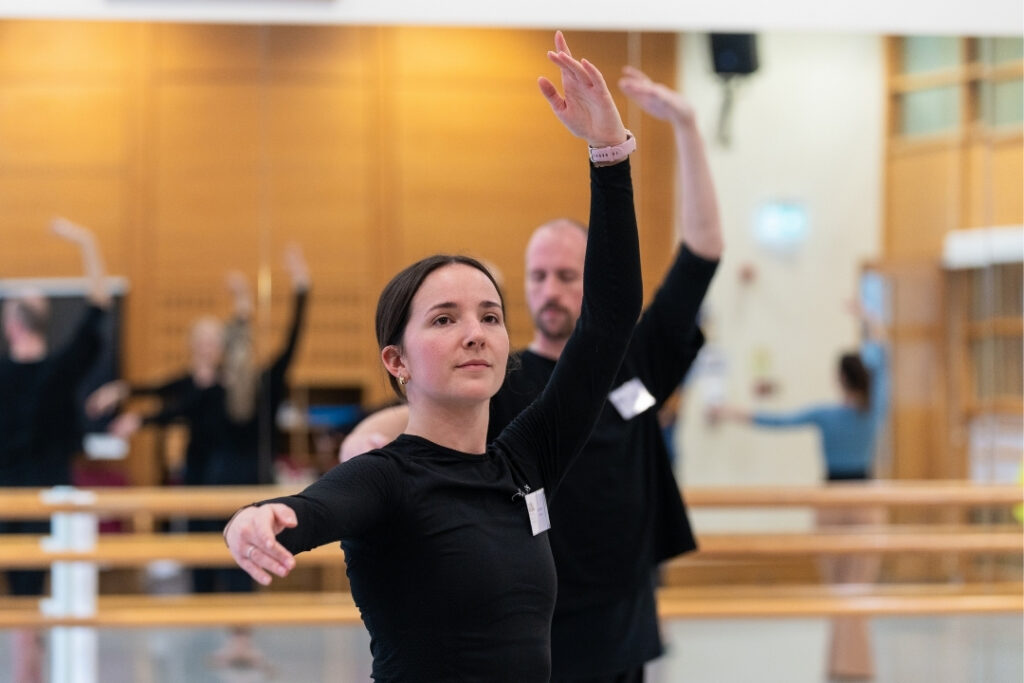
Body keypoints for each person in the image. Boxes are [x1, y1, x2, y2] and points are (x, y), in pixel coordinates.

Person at [223, 31, 642, 681]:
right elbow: (313, 510)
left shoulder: (525, 461)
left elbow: (609, 321)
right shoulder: (385, 479)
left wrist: (608, 155)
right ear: (397, 360)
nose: (474, 332)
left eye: (491, 316)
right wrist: (260, 520)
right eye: (445, 319)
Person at [340, 66, 724, 681]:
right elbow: (430, 401)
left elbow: (701, 254)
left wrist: (685, 125)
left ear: (591, 280)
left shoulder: (632, 358)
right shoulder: (503, 376)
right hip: (534, 610)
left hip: (619, 614)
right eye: (538, 276)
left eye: (568, 276)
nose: (550, 290)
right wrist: (374, 430)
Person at [88, 244, 310, 668]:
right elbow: (171, 400)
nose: (215, 349)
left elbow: (284, 345)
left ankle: (240, 638)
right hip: (203, 482)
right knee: (206, 561)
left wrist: (290, 292)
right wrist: (131, 402)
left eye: (219, 342)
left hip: (238, 486)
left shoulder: (249, 384)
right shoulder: (209, 387)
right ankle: (220, 636)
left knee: (241, 560)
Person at [710, 301, 890, 680]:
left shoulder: (830, 414)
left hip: (830, 501)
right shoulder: (871, 412)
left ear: (841, 380)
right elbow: (882, 355)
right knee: (855, 588)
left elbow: (777, 421)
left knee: (842, 590)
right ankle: (849, 665)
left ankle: (847, 665)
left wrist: (730, 412)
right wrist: (869, 320)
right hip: (867, 500)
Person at [0, 217, 111, 683]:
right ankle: (33, 656)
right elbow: (100, 304)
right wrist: (88, 240)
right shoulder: (62, 370)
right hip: (48, 495)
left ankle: (30, 657)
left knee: (24, 589)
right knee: (42, 587)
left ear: (11, 325)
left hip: (11, 495)